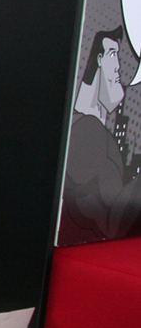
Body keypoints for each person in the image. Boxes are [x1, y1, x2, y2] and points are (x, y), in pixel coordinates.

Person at [60, 28, 141, 243]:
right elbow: (112, 224)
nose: (119, 67)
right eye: (113, 54)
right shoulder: (87, 129)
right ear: (98, 60)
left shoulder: (92, 129)